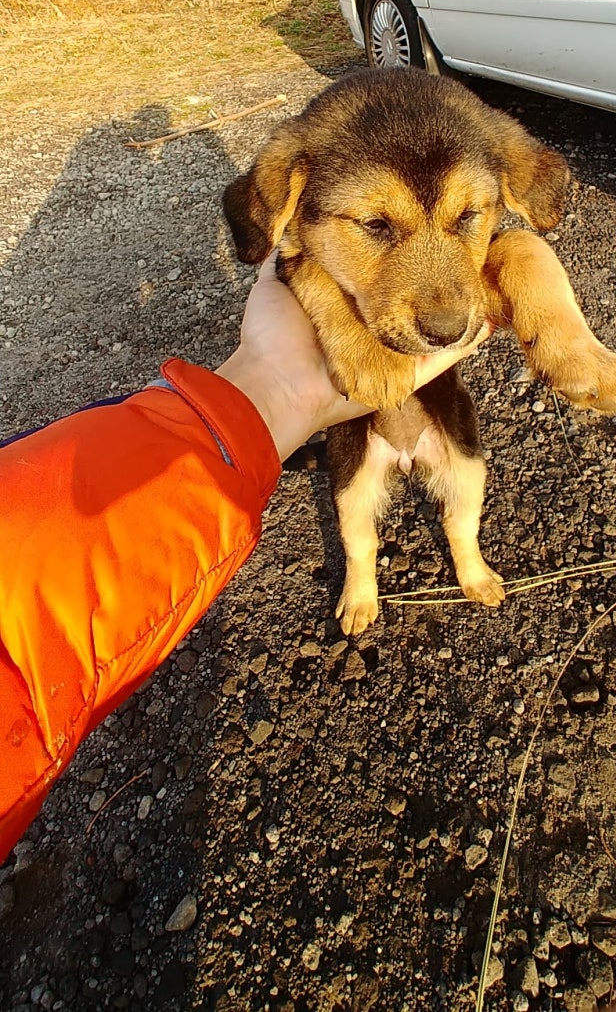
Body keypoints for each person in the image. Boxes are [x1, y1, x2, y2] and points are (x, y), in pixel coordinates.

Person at [0, 254, 490, 864]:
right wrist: (276, 385)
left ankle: (466, 552)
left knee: (467, 480)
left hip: (436, 408)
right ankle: (362, 574)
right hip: (354, 421)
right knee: (353, 502)